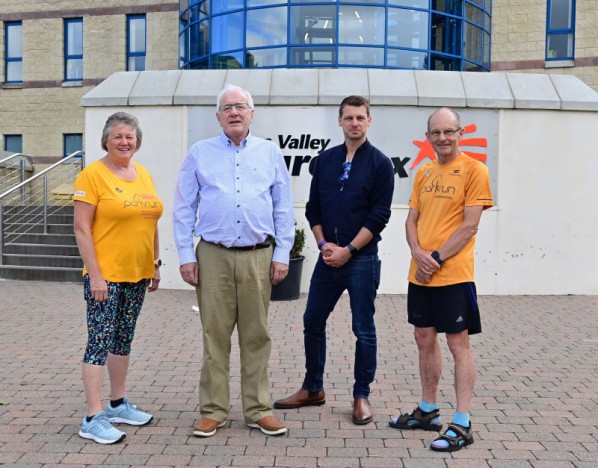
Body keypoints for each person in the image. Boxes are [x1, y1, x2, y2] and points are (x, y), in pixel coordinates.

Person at [173, 84, 294, 438]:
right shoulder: (199, 153)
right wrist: (184, 255)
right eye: (227, 108)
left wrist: (283, 254)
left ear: (252, 114)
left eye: (240, 106)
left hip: (259, 256)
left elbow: (284, 208)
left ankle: (258, 410)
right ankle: (213, 410)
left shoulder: (270, 153)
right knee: (215, 336)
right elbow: (184, 208)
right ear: (218, 117)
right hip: (213, 256)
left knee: (257, 336)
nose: (234, 113)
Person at [274, 95, 394, 425]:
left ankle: (361, 396)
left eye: (360, 117)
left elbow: (379, 216)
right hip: (328, 258)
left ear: (369, 121)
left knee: (363, 330)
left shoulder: (380, 164)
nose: (354, 123)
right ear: (339, 122)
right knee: (312, 321)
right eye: (348, 117)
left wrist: (349, 251)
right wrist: (325, 244)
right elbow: (313, 208)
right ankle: (313, 388)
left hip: (362, 260)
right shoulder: (325, 161)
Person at [390, 107, 493, 452]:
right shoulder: (423, 172)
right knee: (423, 338)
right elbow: (410, 220)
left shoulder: (475, 171)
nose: (442, 138)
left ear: (460, 133)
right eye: (436, 132)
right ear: (428, 136)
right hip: (420, 274)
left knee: (457, 344)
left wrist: (433, 259)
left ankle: (462, 422)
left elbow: (470, 226)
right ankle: (428, 411)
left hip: (453, 275)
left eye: (449, 131)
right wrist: (417, 253)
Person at [73, 112, 163, 444]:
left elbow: (150, 221)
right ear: (106, 141)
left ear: (137, 141)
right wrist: (95, 275)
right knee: (99, 342)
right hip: (105, 276)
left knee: (123, 340)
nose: (125, 142)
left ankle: (117, 403)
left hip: (136, 274)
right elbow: (81, 229)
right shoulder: (91, 176)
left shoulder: (143, 175)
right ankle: (93, 417)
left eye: (130, 136)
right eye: (118, 137)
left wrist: (155, 263)